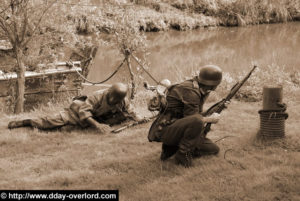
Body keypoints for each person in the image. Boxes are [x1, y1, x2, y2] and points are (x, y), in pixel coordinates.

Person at [148, 65, 227, 167]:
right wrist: (211, 119)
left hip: (174, 128)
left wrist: (219, 107)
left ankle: (172, 149)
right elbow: (195, 120)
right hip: (165, 130)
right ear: (213, 84)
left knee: (213, 149)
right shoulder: (191, 91)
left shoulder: (198, 88)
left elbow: (195, 116)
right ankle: (182, 154)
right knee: (197, 121)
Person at [8, 83, 142, 133]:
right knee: (51, 121)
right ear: (109, 93)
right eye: (113, 98)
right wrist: (98, 126)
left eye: (117, 100)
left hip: (93, 118)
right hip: (77, 111)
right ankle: (26, 122)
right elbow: (84, 112)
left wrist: (139, 119)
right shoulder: (97, 96)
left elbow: (130, 111)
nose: (115, 102)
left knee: (65, 129)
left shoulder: (122, 100)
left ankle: (67, 128)